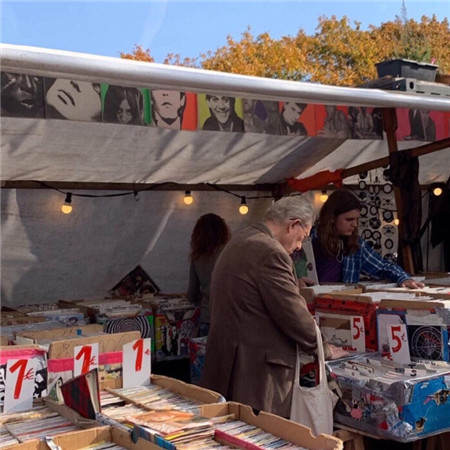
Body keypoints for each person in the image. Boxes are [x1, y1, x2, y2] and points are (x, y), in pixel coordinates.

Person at [201, 196, 345, 418]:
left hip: (228, 365)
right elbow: (293, 315)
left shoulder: (241, 240)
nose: (298, 247)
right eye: (301, 238)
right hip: (256, 376)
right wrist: (324, 349)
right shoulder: (271, 252)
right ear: (293, 224)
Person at [312, 189, 425, 288]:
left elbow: (382, 267)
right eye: (349, 219)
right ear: (332, 218)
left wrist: (404, 278)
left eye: (357, 219)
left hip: (343, 304)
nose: (354, 225)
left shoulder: (356, 245)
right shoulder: (310, 239)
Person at [187, 213, 231, 337]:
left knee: (207, 355)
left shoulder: (197, 257)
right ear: (223, 230)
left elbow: (191, 293)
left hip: (207, 316)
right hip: (229, 317)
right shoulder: (230, 252)